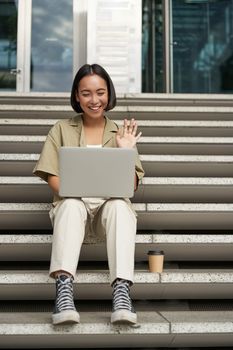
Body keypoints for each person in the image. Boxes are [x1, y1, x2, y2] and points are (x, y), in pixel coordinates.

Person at [33, 63, 145, 326]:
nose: (94, 100)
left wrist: (125, 151)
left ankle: (121, 293)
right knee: (71, 203)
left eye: (100, 92)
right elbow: (52, 178)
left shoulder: (120, 132)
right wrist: (80, 194)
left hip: (107, 214)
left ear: (109, 94)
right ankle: (63, 289)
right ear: (76, 96)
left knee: (119, 205)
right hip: (73, 212)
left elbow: (131, 186)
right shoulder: (60, 129)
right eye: (86, 93)